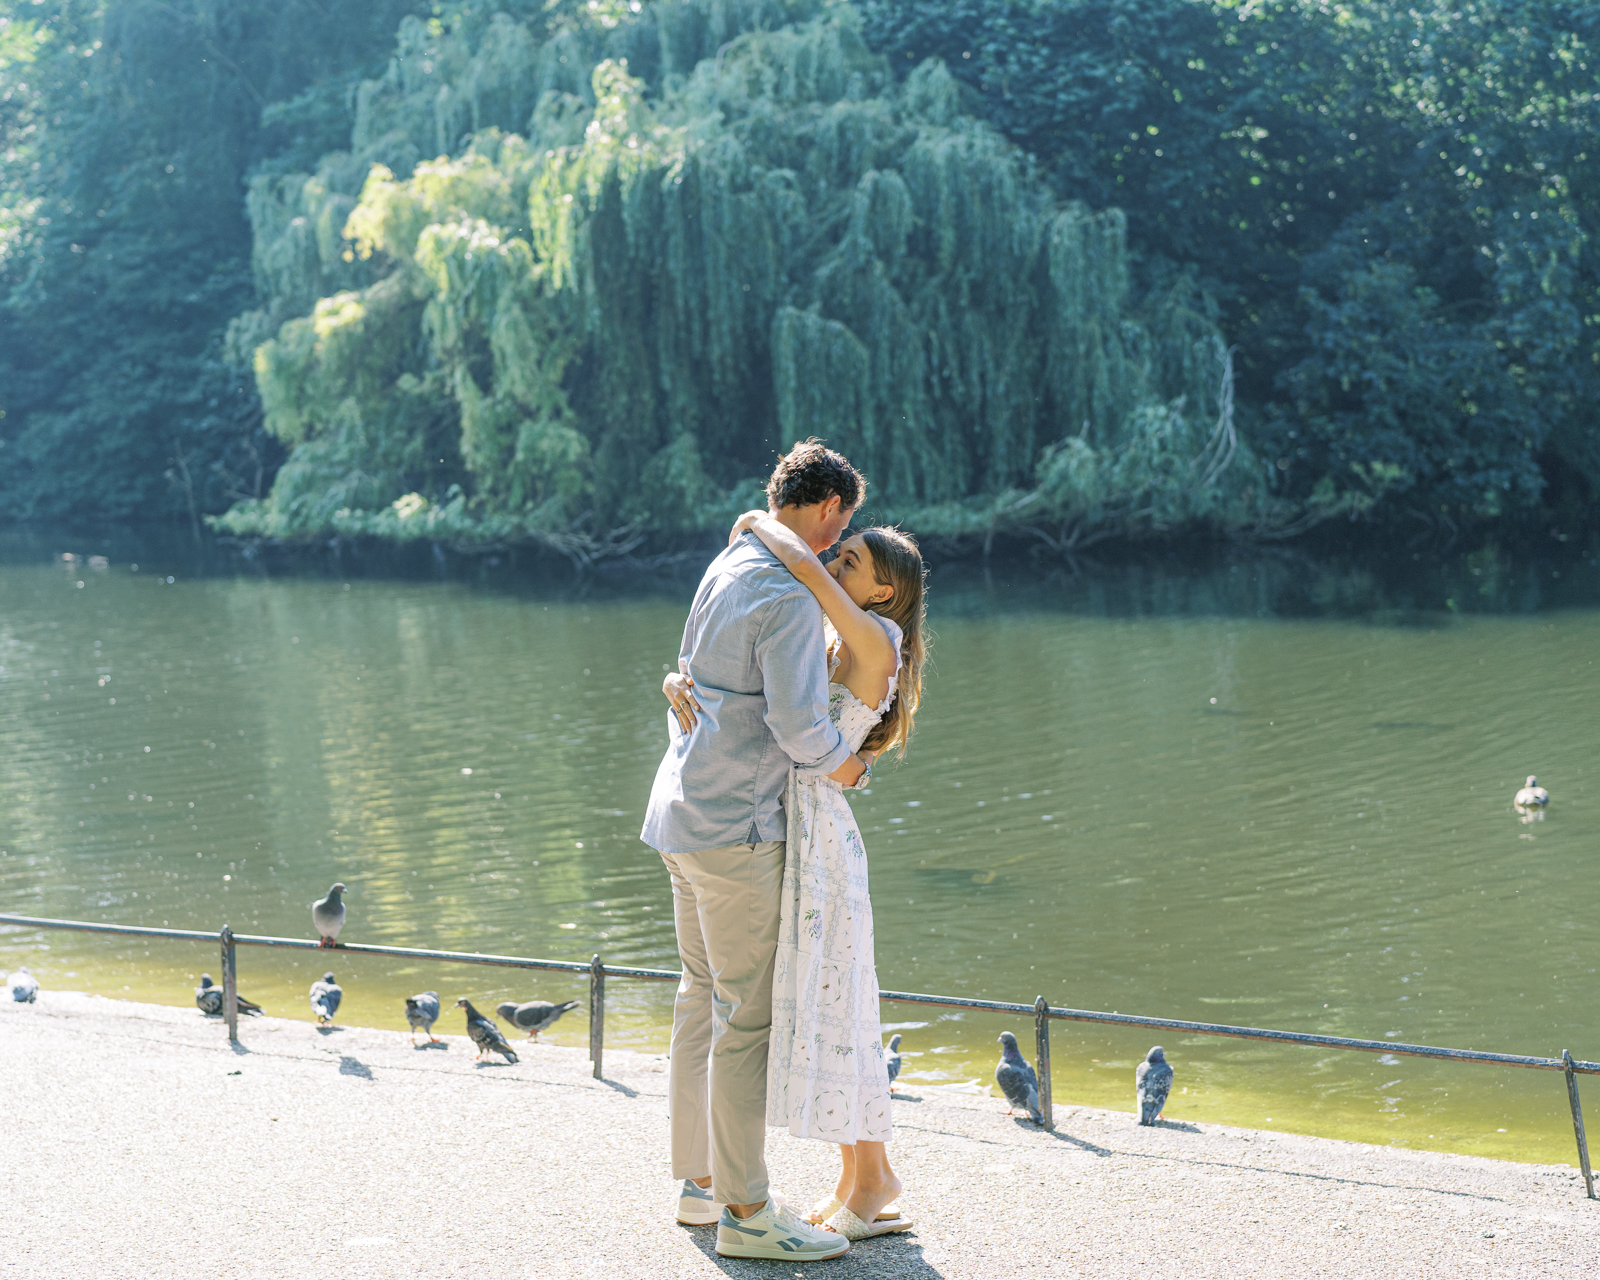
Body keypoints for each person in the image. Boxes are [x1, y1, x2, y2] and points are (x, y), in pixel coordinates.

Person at [665, 510, 928, 1243]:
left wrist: (756, 524)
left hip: (820, 840)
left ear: (883, 592)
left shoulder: (876, 637)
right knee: (828, 1003)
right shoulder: (837, 633)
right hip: (796, 823)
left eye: (852, 563)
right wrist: (676, 680)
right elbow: (744, 680)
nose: (833, 564)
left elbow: (803, 573)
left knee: (839, 1003)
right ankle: (863, 1177)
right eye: (837, 553)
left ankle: (870, 1179)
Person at [641, 440, 872, 1263]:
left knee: (698, 998)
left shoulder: (727, 563)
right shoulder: (786, 594)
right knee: (747, 1019)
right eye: (841, 524)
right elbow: (801, 726)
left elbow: (691, 676)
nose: (837, 542)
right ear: (828, 510)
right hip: (736, 827)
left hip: (679, 812)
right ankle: (748, 1214)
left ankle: (699, 1187)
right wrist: (855, 764)